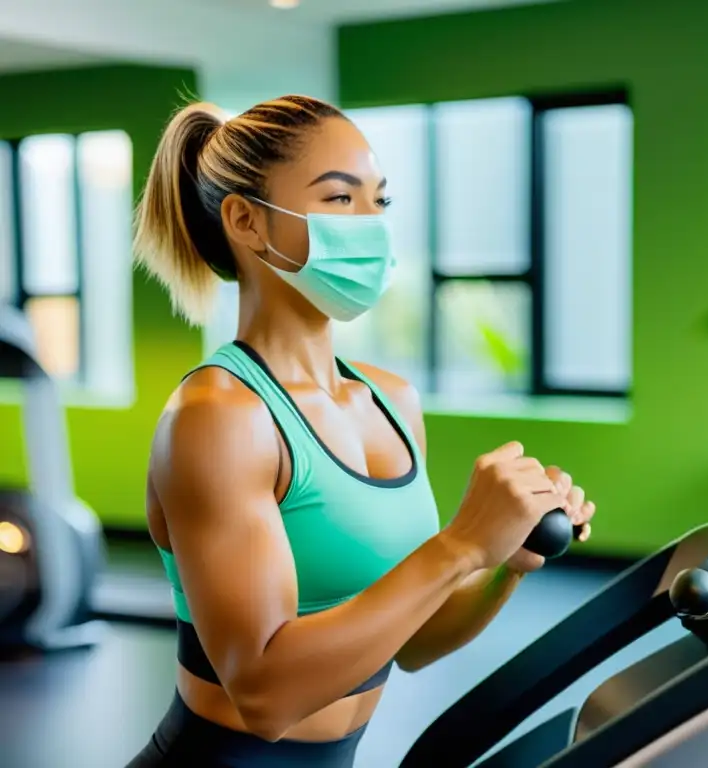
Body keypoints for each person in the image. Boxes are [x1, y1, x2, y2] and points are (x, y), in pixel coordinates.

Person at [126, 94, 596, 768]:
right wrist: (463, 544)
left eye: (380, 201)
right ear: (246, 221)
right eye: (341, 200)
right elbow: (264, 694)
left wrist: (507, 562)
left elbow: (415, 641)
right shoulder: (218, 418)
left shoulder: (392, 401)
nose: (371, 225)